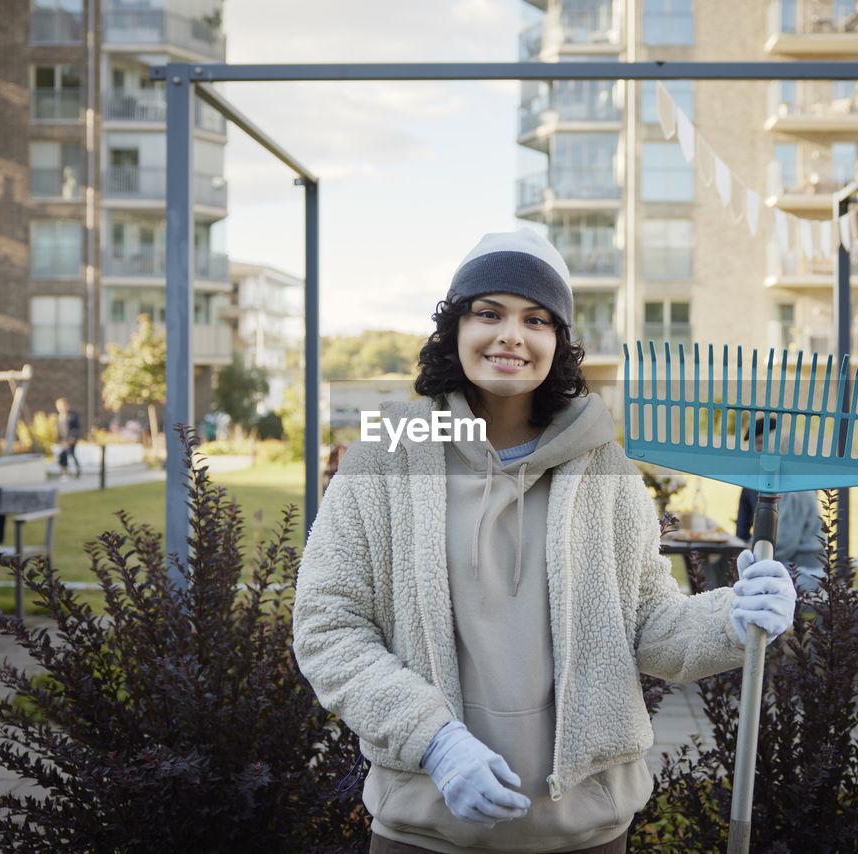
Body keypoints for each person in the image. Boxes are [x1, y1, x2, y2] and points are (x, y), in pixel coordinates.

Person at [292, 230, 798, 854]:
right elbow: (328, 628)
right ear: (454, 328)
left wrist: (733, 617)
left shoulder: (606, 468)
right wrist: (435, 742)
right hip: (426, 827)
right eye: (488, 313)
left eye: (536, 319)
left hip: (585, 831)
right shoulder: (383, 459)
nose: (512, 335)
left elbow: (647, 626)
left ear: (557, 343)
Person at [734, 415, 826, 590]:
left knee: (745, 581)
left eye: (762, 444)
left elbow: (782, 544)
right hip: (792, 569)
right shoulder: (787, 482)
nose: (757, 450)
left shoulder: (797, 488)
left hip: (805, 573)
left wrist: (749, 549)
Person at [55, 397, 81, 478]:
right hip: (63, 440)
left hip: (71, 439)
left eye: (63, 406)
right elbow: (58, 429)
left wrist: (72, 438)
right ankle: (65, 472)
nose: (61, 408)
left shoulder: (72, 416)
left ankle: (76, 471)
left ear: (67, 406)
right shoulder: (60, 417)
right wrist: (58, 439)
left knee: (70, 454)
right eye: (59, 407)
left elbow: (75, 428)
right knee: (63, 455)